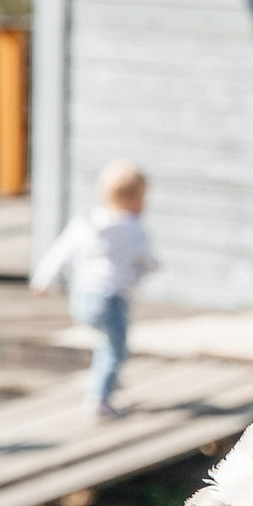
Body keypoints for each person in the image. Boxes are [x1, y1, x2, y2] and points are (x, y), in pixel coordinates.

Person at [32, 160, 159, 419]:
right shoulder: (134, 231)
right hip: (111, 299)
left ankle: (107, 379)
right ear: (138, 200)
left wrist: (44, 279)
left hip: (81, 297)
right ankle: (99, 400)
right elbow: (150, 262)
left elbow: (61, 251)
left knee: (107, 344)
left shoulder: (86, 223)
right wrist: (142, 272)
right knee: (116, 350)